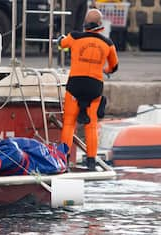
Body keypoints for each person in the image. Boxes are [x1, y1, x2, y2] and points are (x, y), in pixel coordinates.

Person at [58, 8, 118, 171]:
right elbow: (114, 66)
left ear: (85, 23)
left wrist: (60, 41)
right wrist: (105, 71)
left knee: (69, 124)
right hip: (94, 87)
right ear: (100, 24)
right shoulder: (108, 44)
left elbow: (61, 44)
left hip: (75, 85)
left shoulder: (75, 36)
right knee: (91, 125)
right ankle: (91, 162)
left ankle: (63, 160)